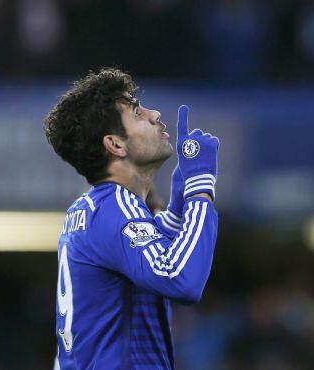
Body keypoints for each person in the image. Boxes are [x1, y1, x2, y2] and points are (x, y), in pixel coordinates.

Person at [43, 68, 220, 369]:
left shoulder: (95, 208)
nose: (154, 114)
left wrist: (176, 214)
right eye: (137, 113)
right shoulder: (115, 206)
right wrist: (200, 189)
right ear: (115, 144)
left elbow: (136, 260)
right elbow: (179, 279)